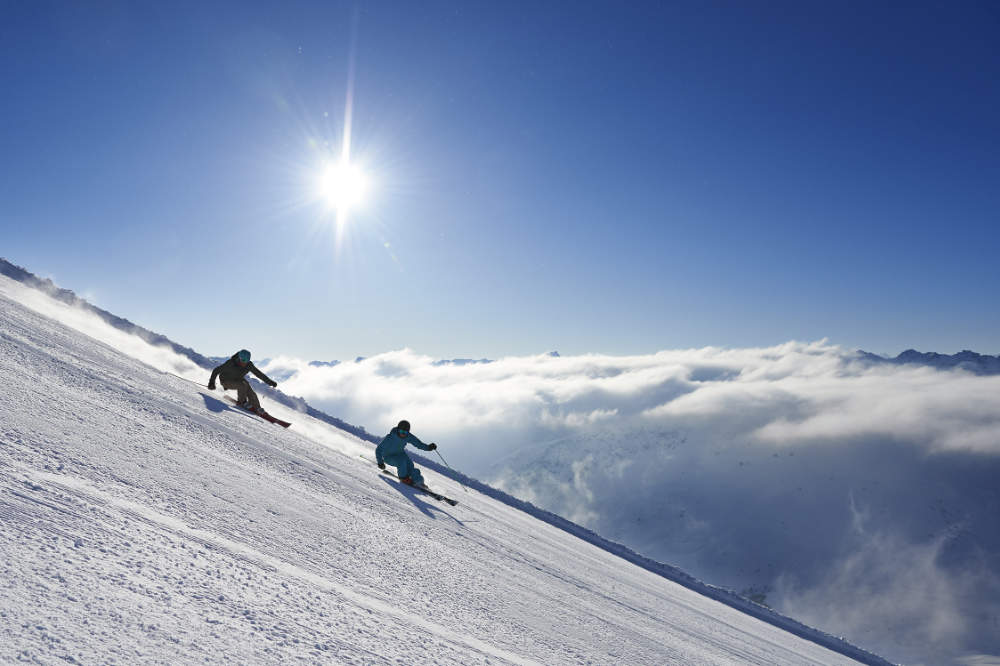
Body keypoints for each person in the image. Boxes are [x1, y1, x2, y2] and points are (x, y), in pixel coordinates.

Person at [208, 349, 277, 413]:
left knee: (248, 388)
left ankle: (257, 407)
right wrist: (211, 382)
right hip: (226, 380)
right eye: (243, 360)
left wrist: (270, 382)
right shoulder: (231, 363)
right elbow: (216, 370)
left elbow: (259, 374)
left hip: (237, 379)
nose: (244, 363)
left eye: (247, 360)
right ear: (239, 358)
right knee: (242, 385)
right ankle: (243, 402)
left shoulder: (249, 365)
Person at [376, 419, 437, 486]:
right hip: (388, 456)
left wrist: (428, 447)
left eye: (405, 433)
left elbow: (418, 444)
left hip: (400, 454)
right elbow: (378, 449)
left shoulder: (408, 437)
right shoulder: (390, 437)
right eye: (401, 431)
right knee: (401, 462)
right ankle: (403, 477)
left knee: (410, 465)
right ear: (398, 430)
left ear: (408, 432)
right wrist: (380, 462)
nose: (403, 434)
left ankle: (418, 481)